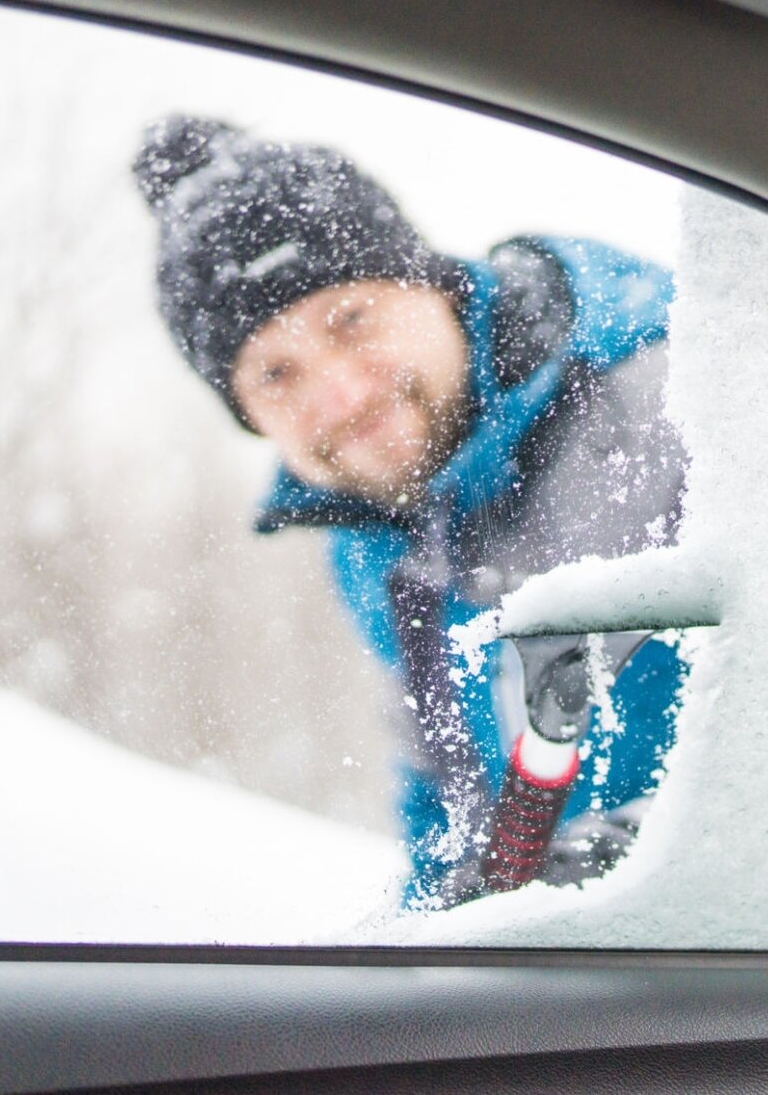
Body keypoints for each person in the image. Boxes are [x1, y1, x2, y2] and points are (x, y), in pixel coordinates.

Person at [134, 116, 687, 909]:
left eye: (351, 320)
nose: (343, 397)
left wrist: (658, 844)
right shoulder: (374, 546)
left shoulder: (671, 403)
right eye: (277, 375)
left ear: (432, 283)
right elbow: (446, 796)